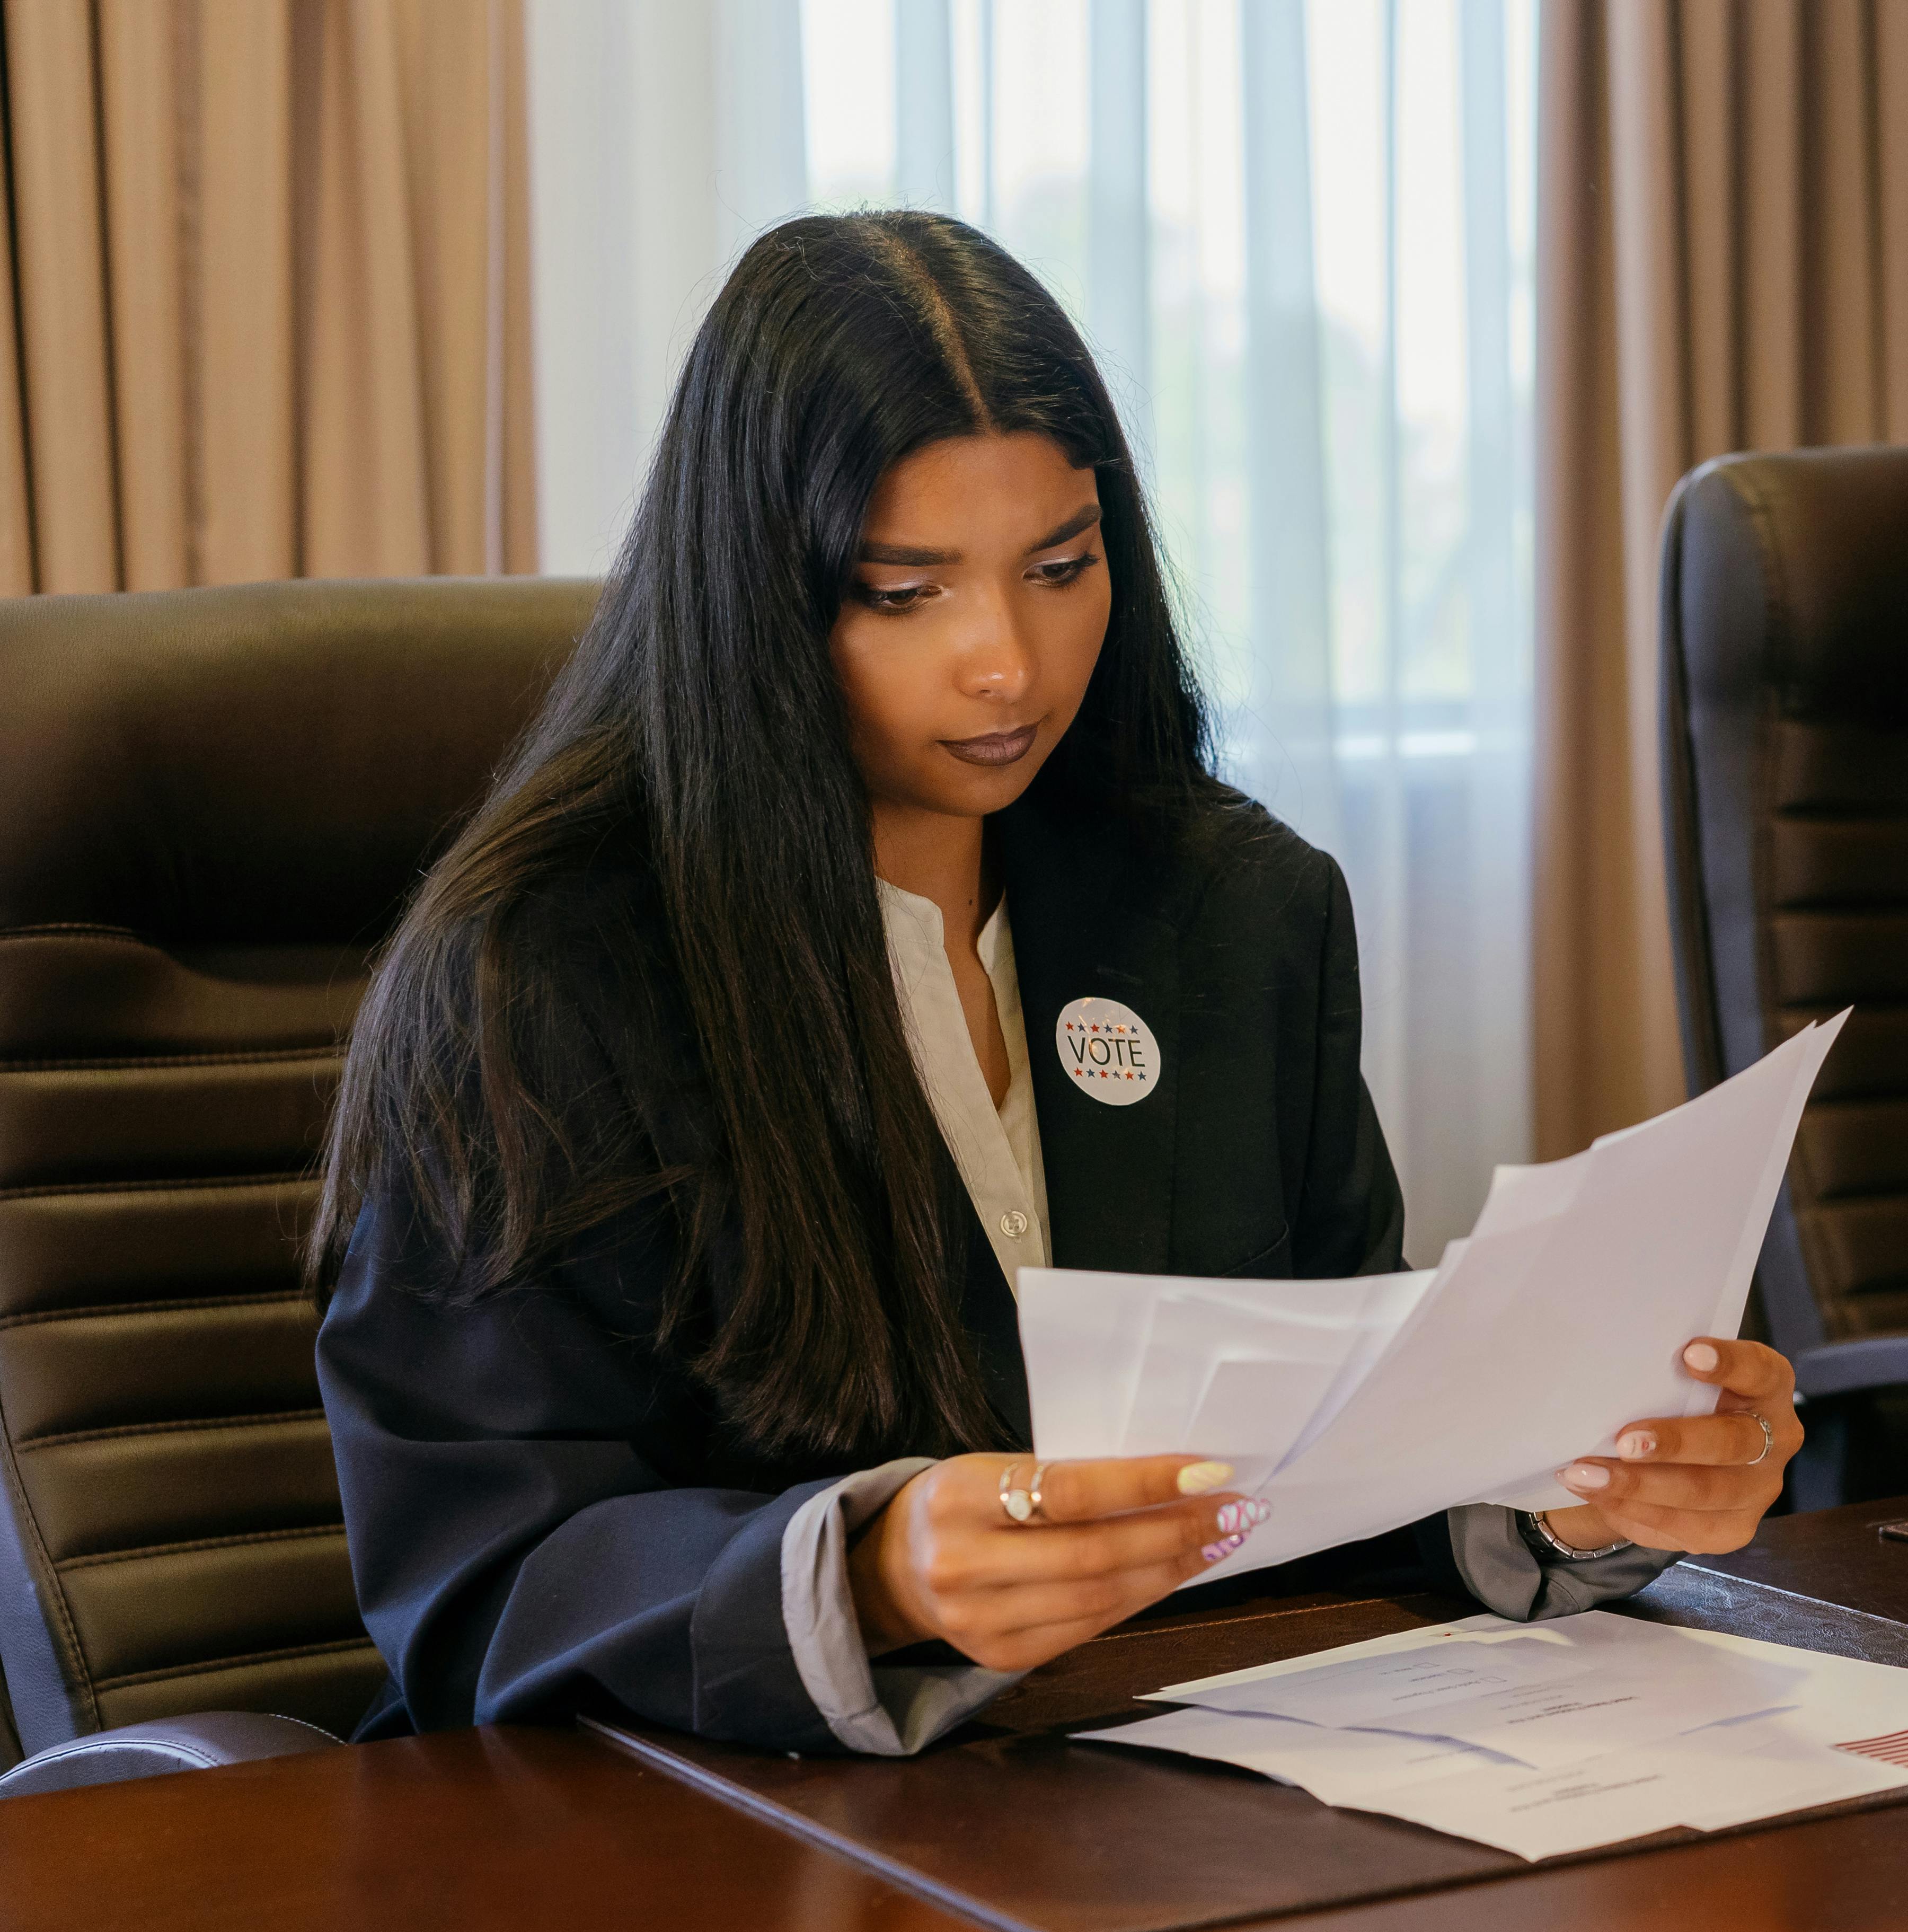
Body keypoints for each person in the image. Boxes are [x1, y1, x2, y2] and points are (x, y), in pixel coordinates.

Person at [310, 211, 1806, 1757]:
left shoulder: (1237, 910)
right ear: (758, 595)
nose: (1008, 663)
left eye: (1057, 566)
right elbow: (480, 1579)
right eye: (908, 591)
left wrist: (1576, 1484)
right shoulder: (542, 975)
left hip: (1175, 1810)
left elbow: (1328, 1458)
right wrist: (873, 1571)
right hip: (716, 1849)